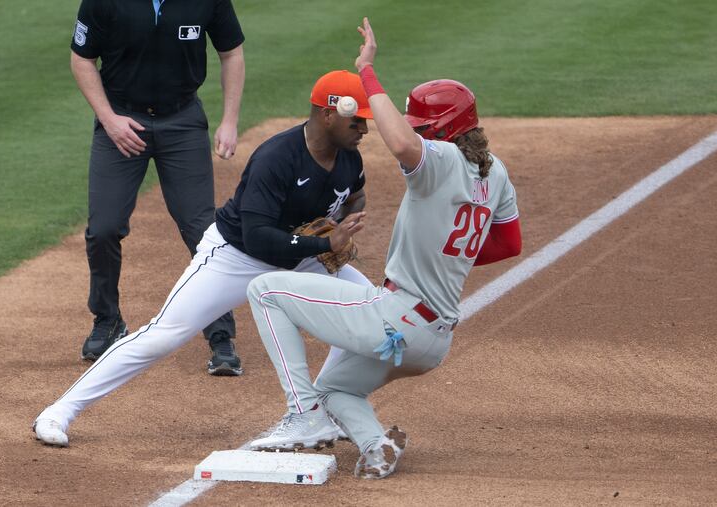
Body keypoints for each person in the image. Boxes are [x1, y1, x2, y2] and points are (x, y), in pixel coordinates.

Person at [33, 70, 374, 447]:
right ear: (328, 115)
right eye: (356, 119)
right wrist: (324, 245)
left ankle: (319, 410)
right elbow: (260, 239)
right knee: (164, 335)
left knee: (368, 309)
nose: (364, 128)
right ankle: (59, 411)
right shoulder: (276, 158)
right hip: (236, 258)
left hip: (298, 256)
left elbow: (353, 194)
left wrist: (340, 220)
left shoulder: (349, 158)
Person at [245, 17, 523, 479]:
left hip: (396, 317)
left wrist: (366, 71)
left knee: (266, 291)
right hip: (433, 342)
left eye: (424, 127)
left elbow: (399, 142)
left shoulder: (440, 159)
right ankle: (377, 445)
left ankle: (303, 413)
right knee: (334, 389)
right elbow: (508, 243)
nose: (417, 133)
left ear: (444, 129)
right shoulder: (496, 173)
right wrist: (449, 255)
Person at [70, 0, 244, 375]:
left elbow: (231, 53)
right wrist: (109, 120)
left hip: (181, 121)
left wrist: (230, 121)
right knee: (103, 228)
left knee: (202, 230)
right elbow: (82, 58)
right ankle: (107, 320)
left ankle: (221, 336)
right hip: (120, 121)